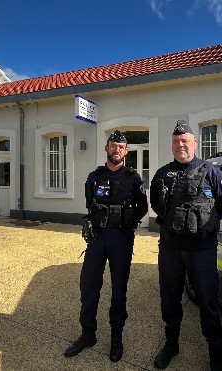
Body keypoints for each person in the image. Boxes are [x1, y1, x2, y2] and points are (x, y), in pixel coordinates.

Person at [149, 120, 222, 371]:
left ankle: (216, 355)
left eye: (185, 140)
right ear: (172, 145)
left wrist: (202, 225)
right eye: (176, 141)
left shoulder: (212, 172)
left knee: (208, 302)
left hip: (202, 250)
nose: (180, 145)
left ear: (195, 143)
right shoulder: (163, 173)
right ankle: (171, 345)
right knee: (169, 299)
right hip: (171, 249)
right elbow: (155, 204)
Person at [64, 130, 148, 363]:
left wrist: (125, 222)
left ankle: (116, 338)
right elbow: (90, 203)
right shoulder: (94, 177)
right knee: (89, 285)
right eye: (113, 145)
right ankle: (88, 334)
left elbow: (142, 207)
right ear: (106, 148)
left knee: (119, 289)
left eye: (121, 147)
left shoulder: (134, 178)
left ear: (126, 151)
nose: (117, 150)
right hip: (98, 238)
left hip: (121, 238)